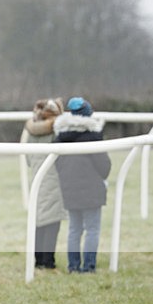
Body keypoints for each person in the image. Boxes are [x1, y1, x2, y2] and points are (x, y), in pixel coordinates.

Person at [53, 97, 112, 273]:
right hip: (91, 191)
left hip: (69, 189)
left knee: (74, 230)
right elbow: (104, 167)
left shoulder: (59, 138)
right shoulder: (93, 137)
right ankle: (88, 266)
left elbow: (57, 165)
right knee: (92, 229)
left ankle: (73, 266)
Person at [25, 98, 67, 269]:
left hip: (36, 178)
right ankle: (48, 262)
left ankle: (38, 260)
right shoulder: (56, 132)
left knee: (39, 222)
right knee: (52, 223)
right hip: (54, 181)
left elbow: (28, 159)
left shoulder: (31, 133)